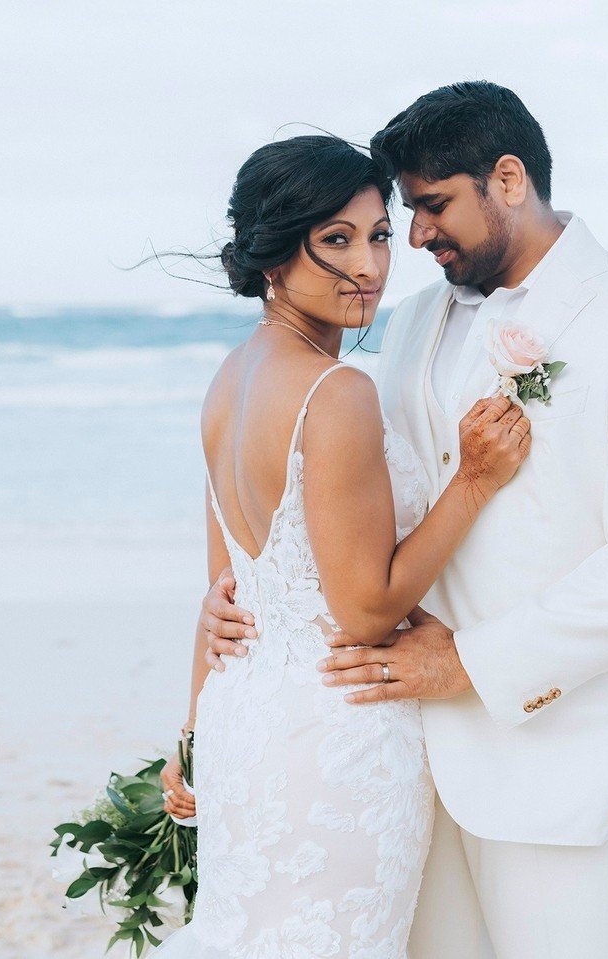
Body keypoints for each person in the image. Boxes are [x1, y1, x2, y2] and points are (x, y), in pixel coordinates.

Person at [186, 82, 608, 958]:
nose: (411, 237)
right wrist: (239, 595)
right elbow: (336, 492)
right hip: (391, 752)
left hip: (557, 749)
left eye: (430, 206)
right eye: (401, 212)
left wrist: (472, 663)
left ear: (507, 179)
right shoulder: (411, 320)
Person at [153, 134, 531, 957]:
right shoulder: (336, 391)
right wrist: (471, 482)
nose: (369, 264)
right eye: (336, 240)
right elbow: (362, 610)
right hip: (335, 735)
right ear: (272, 253)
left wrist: (189, 740)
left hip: (243, 725)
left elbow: (224, 597)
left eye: (380, 234)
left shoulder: (227, 380)